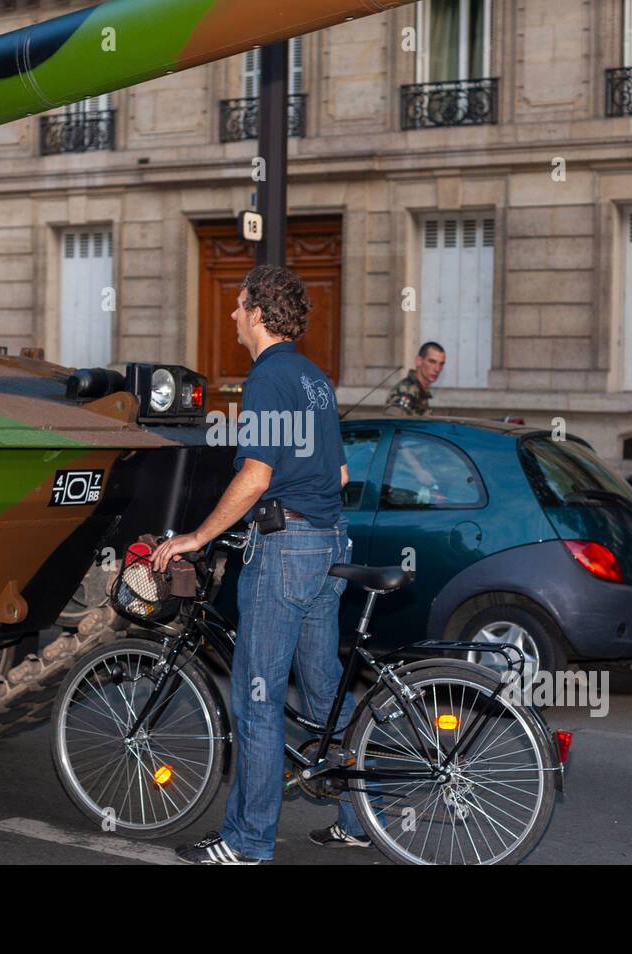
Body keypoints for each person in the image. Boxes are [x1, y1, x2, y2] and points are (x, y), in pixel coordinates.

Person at [151, 264, 367, 864]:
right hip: (329, 545)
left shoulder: (268, 377)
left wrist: (198, 536)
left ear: (259, 313)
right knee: (324, 692)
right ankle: (362, 817)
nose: (232, 314)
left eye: (239, 304)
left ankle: (247, 843)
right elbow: (339, 474)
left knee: (257, 700)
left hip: (288, 550)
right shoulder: (315, 378)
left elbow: (255, 476)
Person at [384, 341, 446, 416]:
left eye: (441, 364)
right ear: (419, 361)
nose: (437, 369)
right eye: (432, 362)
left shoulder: (419, 391)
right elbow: (395, 422)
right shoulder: (406, 392)